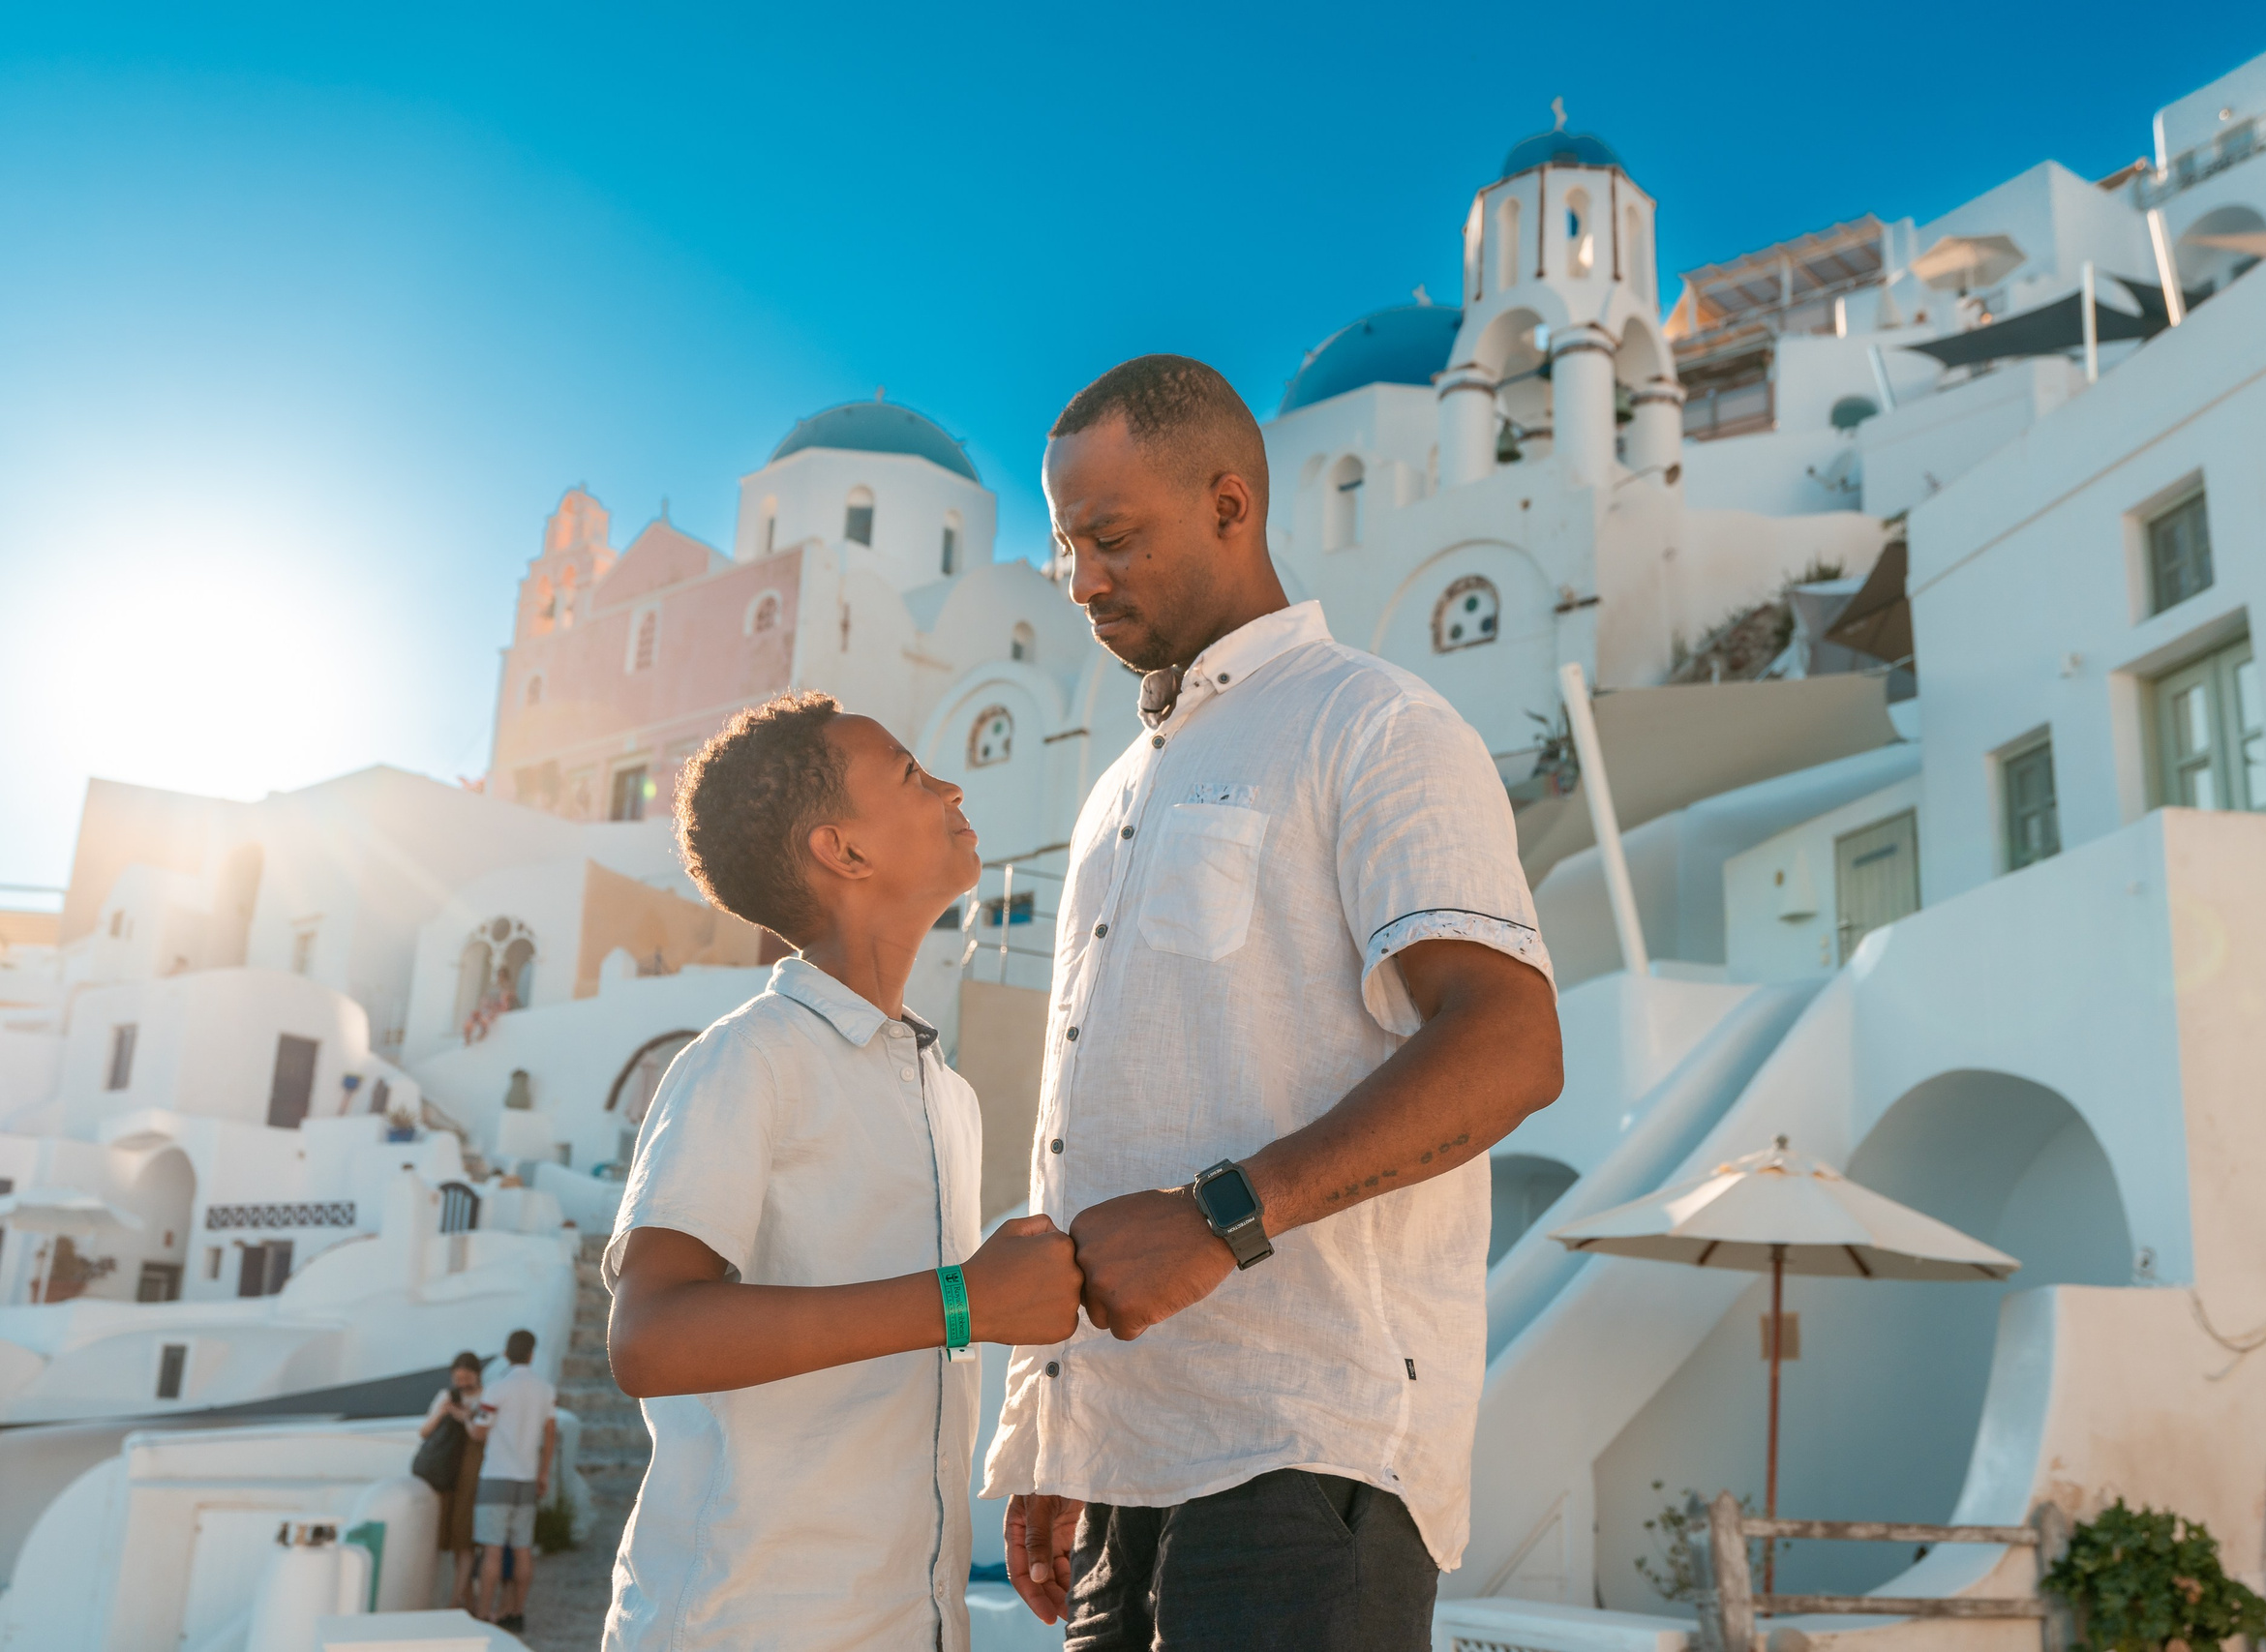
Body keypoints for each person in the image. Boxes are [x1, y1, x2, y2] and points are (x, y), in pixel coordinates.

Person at [983, 355, 1565, 1650]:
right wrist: (1049, 1416)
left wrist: (1220, 1216)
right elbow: (1092, 1106)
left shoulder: (1375, 724)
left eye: (1114, 537)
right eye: (1066, 547)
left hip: (1305, 1460)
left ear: (1232, 506)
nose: (1082, 579)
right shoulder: (1116, 790)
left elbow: (1511, 1043)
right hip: (1123, 1459)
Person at [600, 695, 1085, 1651]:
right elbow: (649, 1335)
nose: (950, 786)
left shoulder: (947, 1092)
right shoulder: (749, 1057)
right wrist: (964, 1303)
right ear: (844, 852)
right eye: (910, 774)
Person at [469, 1328, 556, 1633]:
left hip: (496, 1476)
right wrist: (543, 1473)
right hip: (527, 1477)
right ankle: (516, 1613)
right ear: (532, 1354)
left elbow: (479, 1431)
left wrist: (466, 1420)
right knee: (522, 1549)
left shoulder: (497, 1388)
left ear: (506, 1353)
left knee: (492, 1549)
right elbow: (549, 1433)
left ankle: (483, 1613)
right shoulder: (545, 1390)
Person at [417, 1351, 488, 1610]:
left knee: (465, 1541)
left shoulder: (486, 1398)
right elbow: (424, 1431)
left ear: (477, 1375)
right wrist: (444, 1411)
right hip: (447, 1475)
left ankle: (455, 1601)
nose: (462, 1382)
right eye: (458, 1377)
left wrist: (466, 1415)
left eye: (466, 1376)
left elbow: (479, 1435)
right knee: (455, 1543)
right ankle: (466, 1599)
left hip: (470, 1477)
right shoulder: (446, 1396)